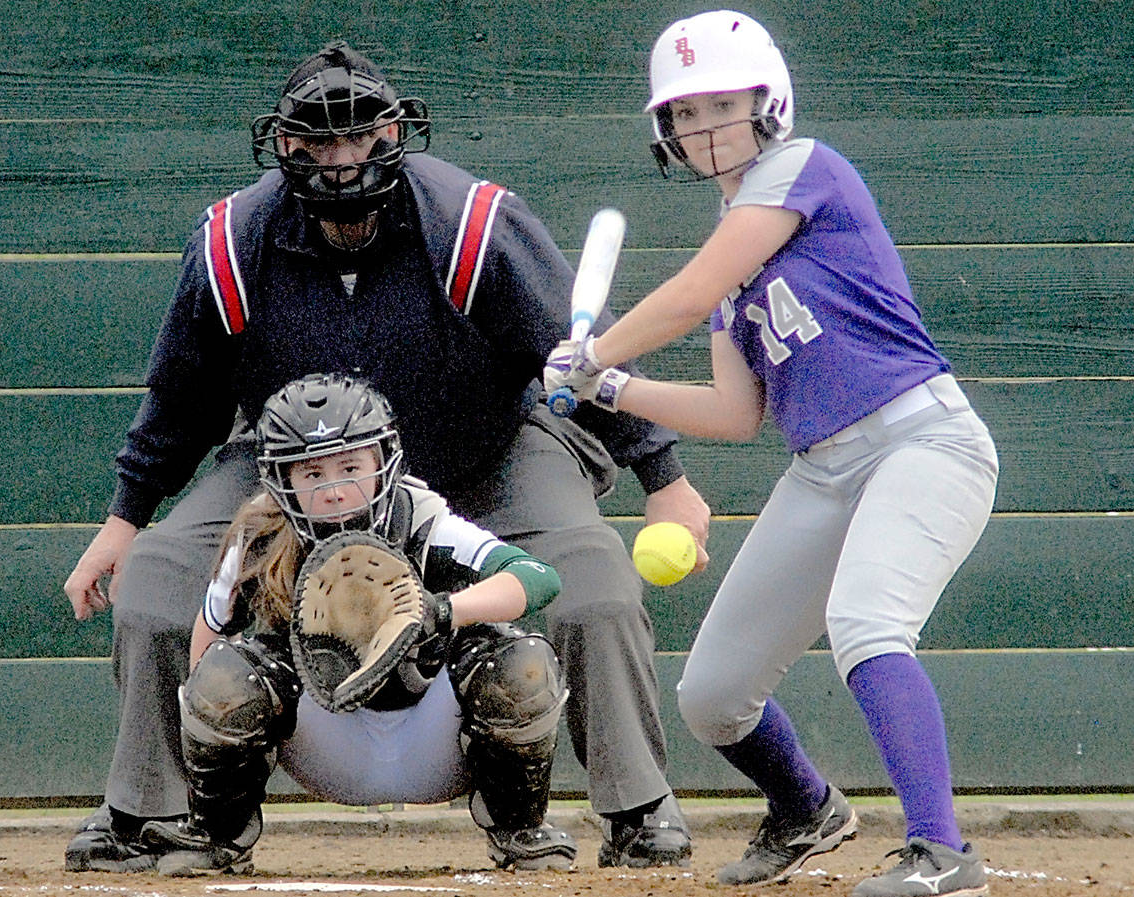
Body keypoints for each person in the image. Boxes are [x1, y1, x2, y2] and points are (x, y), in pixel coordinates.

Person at [62, 39, 709, 874]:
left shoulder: (474, 223)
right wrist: (124, 520)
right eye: (318, 142)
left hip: (485, 449)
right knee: (151, 585)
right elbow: (181, 400)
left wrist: (666, 476)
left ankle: (638, 802)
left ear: (396, 132)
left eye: (360, 137)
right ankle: (148, 811)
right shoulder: (230, 241)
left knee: (595, 579)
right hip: (286, 472)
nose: (341, 160)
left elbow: (577, 358)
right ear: (283, 146)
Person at [544, 10, 997, 897]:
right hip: (823, 468)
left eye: (721, 104)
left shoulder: (804, 168)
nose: (701, 126)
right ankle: (805, 808)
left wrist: (599, 355)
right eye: (682, 112)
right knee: (711, 694)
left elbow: (691, 288)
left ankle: (943, 851)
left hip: (923, 439)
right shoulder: (734, 259)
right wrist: (609, 391)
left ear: (768, 103)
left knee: (869, 622)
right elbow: (733, 410)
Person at [138, 373, 577, 874]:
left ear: (383, 461)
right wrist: (213, 725)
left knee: (522, 663)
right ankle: (217, 833)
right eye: (311, 473)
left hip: (436, 740)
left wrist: (441, 611)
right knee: (222, 674)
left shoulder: (423, 518)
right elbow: (209, 635)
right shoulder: (259, 534)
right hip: (324, 742)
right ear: (281, 479)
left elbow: (538, 577)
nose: (333, 490)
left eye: (350, 466)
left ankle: (519, 828)